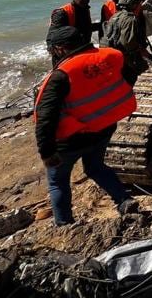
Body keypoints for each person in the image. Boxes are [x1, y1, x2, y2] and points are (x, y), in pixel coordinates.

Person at [35, 25, 136, 225]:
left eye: (52, 50)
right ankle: (124, 201)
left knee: (58, 181)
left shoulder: (61, 75)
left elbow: (45, 117)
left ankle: (64, 225)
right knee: (96, 167)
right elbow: (129, 77)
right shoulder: (110, 56)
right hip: (103, 128)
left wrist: (46, 152)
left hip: (70, 140)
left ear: (61, 49)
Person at [104, 0, 152, 83]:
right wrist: (148, 57)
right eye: (139, 3)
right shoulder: (130, 19)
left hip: (114, 58)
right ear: (133, 4)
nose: (141, 5)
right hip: (128, 59)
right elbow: (129, 44)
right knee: (146, 75)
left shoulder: (115, 16)